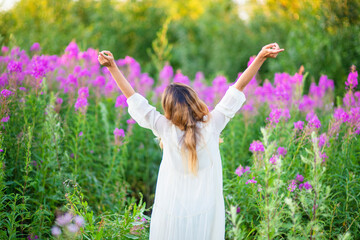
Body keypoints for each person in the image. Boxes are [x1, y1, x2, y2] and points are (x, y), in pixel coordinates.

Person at [97, 43, 284, 240]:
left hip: (171, 213)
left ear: (168, 110)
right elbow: (238, 88)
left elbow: (133, 98)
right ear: (195, 101)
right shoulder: (212, 125)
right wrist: (261, 56)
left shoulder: (164, 128)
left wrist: (112, 67)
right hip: (206, 214)